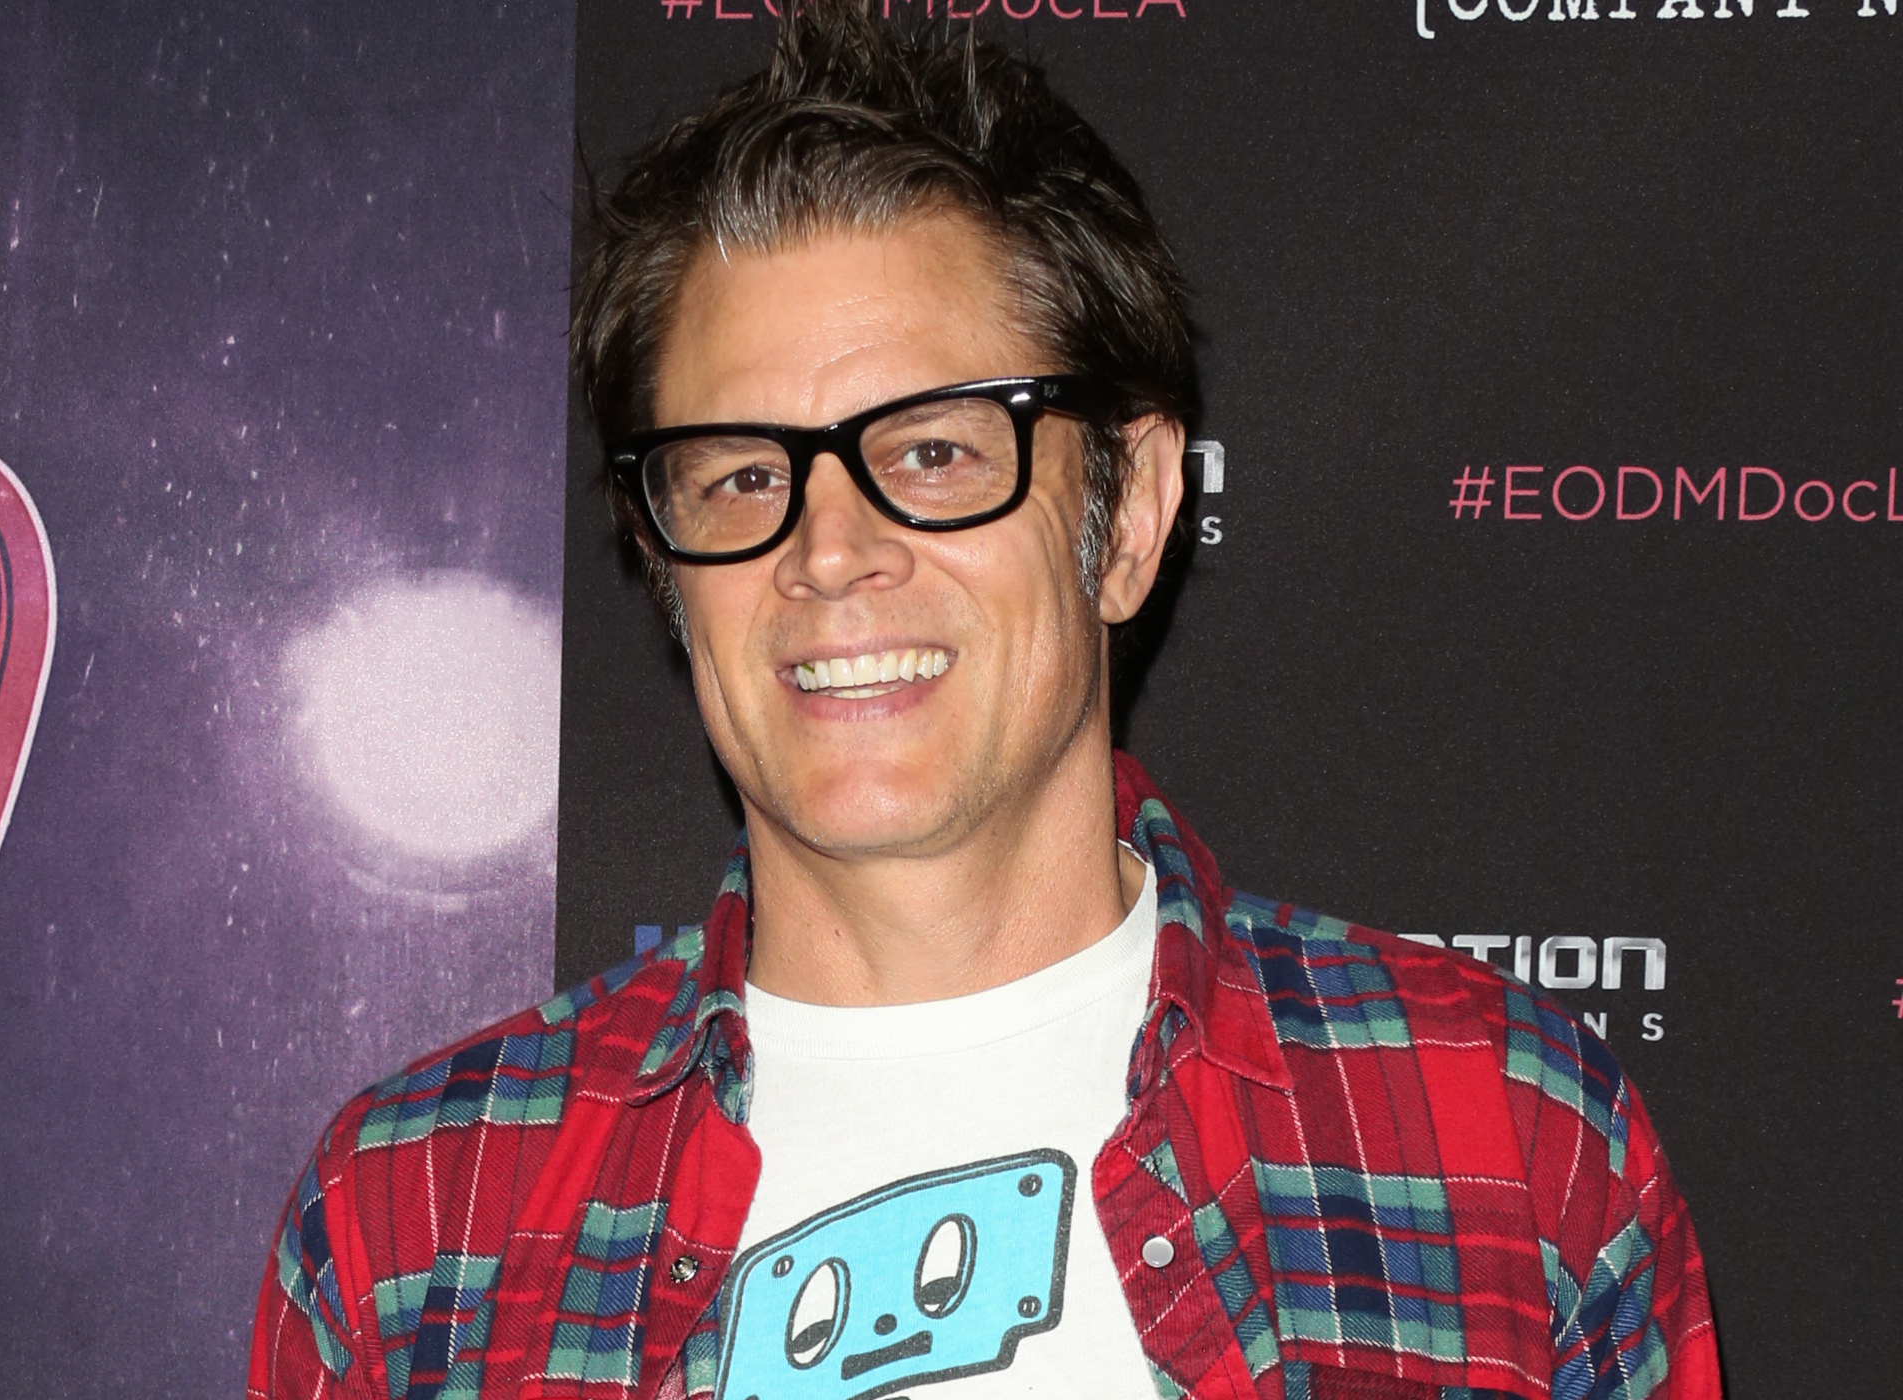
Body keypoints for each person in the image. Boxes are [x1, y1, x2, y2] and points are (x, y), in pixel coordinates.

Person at [249, 7, 1720, 1399]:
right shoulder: (416, 1226)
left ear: (1130, 513)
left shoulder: (1505, 1142)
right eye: (744, 477)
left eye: (937, 453)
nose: (830, 551)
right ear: (664, 564)